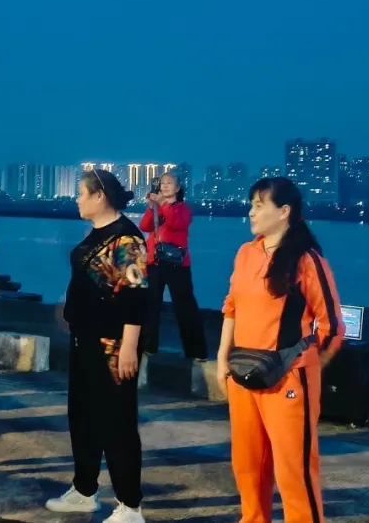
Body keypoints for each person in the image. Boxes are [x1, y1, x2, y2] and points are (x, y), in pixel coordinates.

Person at [217, 177, 343, 523]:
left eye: (259, 206)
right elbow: (231, 307)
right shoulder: (246, 253)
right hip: (243, 373)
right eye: (251, 204)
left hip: (289, 378)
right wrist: (222, 357)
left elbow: (332, 326)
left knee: (293, 468)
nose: (251, 212)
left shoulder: (306, 260)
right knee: (247, 463)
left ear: (284, 211)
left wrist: (307, 367)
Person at [45, 169, 147, 523]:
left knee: (117, 423)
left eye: (82, 193)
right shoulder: (97, 233)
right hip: (85, 341)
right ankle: (84, 490)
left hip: (112, 346)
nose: (77, 200)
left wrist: (129, 347)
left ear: (99, 196)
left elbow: (136, 298)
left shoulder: (127, 239)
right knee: (83, 418)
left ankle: (130, 506)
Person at [138, 171, 207, 360]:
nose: (165, 185)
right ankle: (148, 347)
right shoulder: (158, 207)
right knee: (150, 306)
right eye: (162, 183)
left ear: (177, 188)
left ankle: (196, 352)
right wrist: (152, 206)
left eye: (169, 182)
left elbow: (176, 223)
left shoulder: (183, 208)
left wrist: (163, 204)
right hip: (154, 262)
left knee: (185, 307)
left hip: (177, 264)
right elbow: (144, 226)